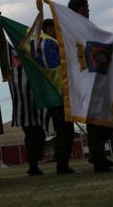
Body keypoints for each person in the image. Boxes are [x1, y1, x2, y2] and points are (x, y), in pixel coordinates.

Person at [68, 0, 113, 173]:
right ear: (78, 8)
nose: (88, 10)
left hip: (97, 78)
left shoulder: (86, 25)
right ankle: (98, 159)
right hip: (86, 79)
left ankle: (99, 155)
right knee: (95, 120)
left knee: (108, 115)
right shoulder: (73, 26)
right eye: (86, 6)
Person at [41, 19, 75, 174]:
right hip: (59, 94)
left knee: (64, 130)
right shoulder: (49, 43)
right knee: (65, 131)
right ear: (49, 29)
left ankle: (63, 163)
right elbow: (56, 68)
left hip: (55, 95)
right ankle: (62, 165)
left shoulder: (43, 43)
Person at [8, 53, 47, 176]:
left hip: (32, 111)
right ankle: (33, 165)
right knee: (33, 137)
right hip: (27, 112)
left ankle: (33, 164)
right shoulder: (16, 74)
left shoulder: (21, 73)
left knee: (37, 136)